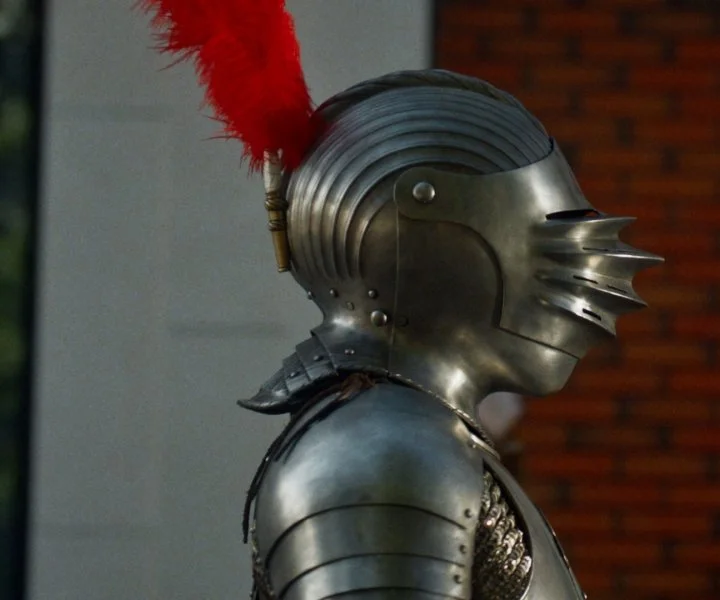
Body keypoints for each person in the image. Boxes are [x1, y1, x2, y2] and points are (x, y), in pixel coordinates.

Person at [141, 5, 661, 599]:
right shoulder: (385, 453)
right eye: (557, 229)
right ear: (438, 238)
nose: (587, 264)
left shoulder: (414, 439)